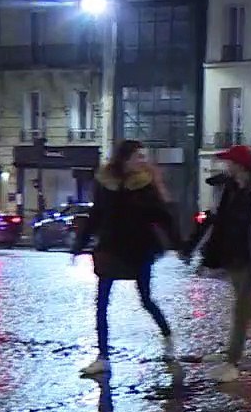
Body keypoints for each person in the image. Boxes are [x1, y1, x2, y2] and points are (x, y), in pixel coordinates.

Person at [73, 140, 180, 376]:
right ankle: (102, 357)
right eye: (138, 156)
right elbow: (96, 214)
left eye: (143, 156)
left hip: (139, 250)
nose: (142, 160)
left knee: (145, 299)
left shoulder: (146, 185)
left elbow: (163, 216)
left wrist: (179, 245)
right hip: (110, 248)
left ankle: (168, 335)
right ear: (125, 158)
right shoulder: (105, 183)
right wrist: (80, 244)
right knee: (101, 303)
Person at [183, 145, 251, 382]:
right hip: (233, 258)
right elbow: (215, 224)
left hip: (249, 261)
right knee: (248, 309)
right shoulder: (226, 191)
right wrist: (195, 251)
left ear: (240, 166)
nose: (226, 165)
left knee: (240, 311)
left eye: (230, 162)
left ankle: (232, 362)